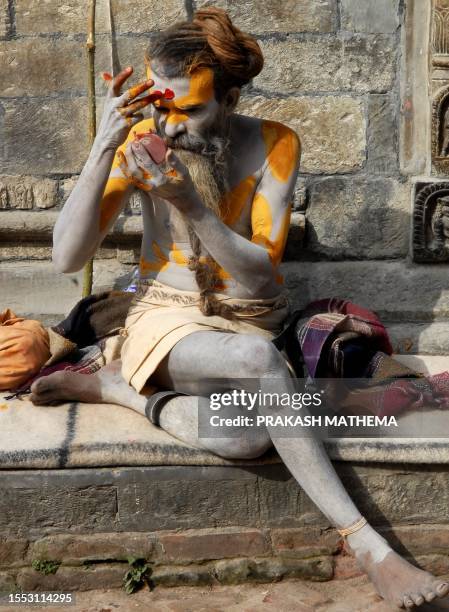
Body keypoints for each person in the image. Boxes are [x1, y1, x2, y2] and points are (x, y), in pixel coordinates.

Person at [30, 8, 448, 609]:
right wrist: (102, 148)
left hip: (254, 315)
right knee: (258, 362)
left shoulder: (275, 143)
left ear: (228, 99)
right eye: (161, 107)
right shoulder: (139, 142)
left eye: (190, 110)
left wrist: (193, 205)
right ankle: (370, 549)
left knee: (249, 436)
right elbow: (66, 258)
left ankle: (124, 392)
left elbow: (259, 273)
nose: (170, 129)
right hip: (167, 318)